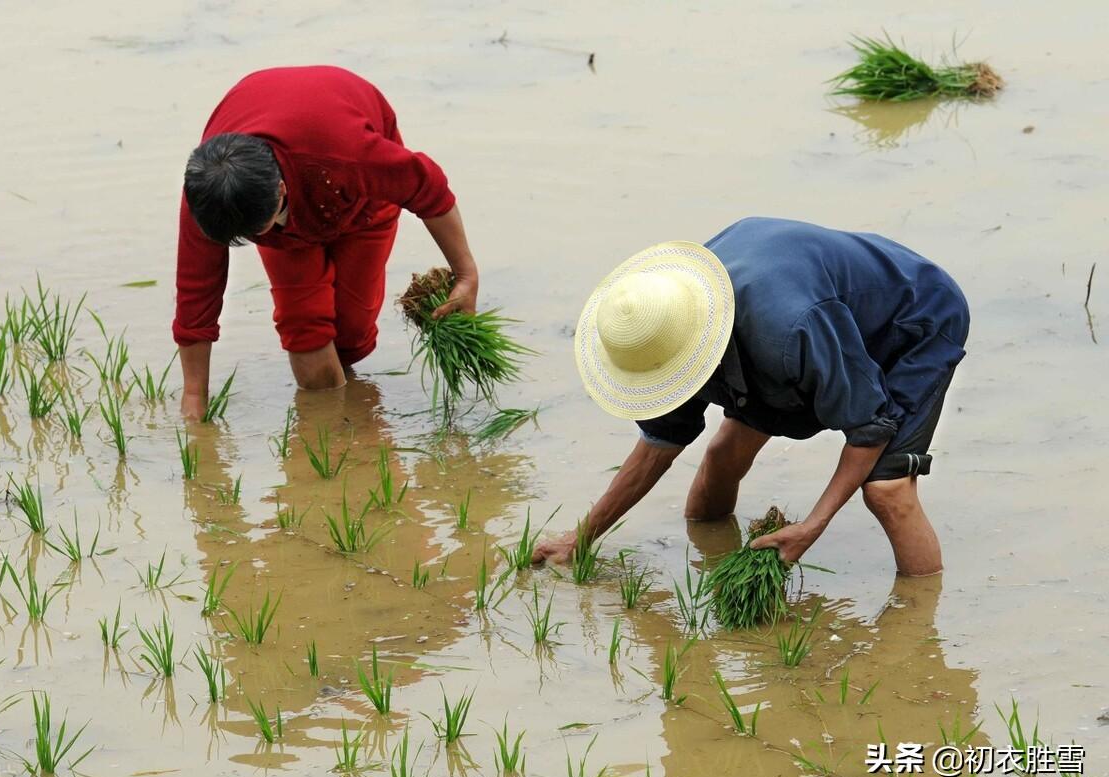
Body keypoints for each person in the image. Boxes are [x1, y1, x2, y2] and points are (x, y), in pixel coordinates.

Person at [532, 217, 970, 576]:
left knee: (887, 489)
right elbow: (657, 447)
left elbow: (869, 429)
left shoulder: (791, 330)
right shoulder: (668, 323)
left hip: (913, 317)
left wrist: (812, 526)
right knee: (724, 452)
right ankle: (714, 557)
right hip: (797, 315)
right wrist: (580, 539)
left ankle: (919, 626)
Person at [173, 66, 480, 419]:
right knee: (306, 334)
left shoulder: (350, 153)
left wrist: (466, 274)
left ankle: (352, 418)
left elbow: (429, 188)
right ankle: (330, 444)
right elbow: (197, 290)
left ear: (280, 191)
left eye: (259, 231)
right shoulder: (211, 195)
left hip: (359, 200)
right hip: (286, 226)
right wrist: (194, 396)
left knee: (352, 337)